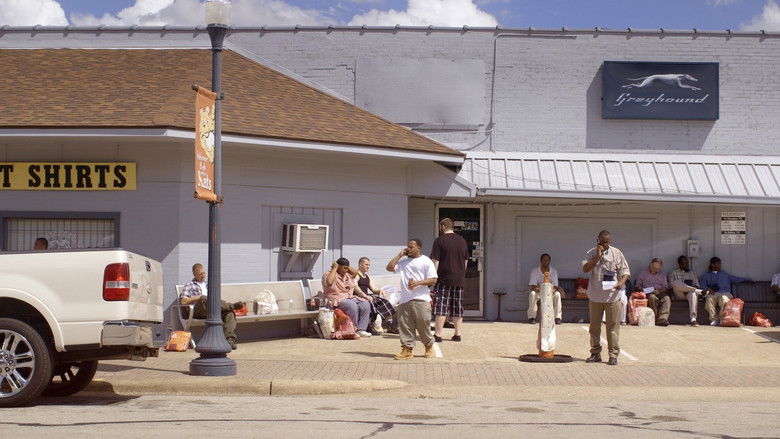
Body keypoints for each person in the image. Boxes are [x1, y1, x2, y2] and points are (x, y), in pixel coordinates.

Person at [582, 230, 630, 366]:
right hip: (595, 296)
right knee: (594, 327)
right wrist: (597, 257)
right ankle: (595, 353)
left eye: (607, 242)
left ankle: (613, 354)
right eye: (603, 242)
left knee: (613, 326)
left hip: (612, 296)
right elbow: (585, 269)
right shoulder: (591, 253)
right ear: (598, 240)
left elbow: (625, 272)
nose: (605, 244)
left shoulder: (616, 253)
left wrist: (620, 283)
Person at [386, 238, 438, 360]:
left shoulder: (426, 261)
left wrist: (418, 283)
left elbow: (433, 279)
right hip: (405, 299)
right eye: (408, 246)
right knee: (405, 326)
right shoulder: (403, 261)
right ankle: (407, 350)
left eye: (411, 247)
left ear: (419, 248)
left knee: (423, 324)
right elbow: (389, 267)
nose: (408, 249)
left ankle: (428, 346)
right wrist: (399, 255)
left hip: (421, 298)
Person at [178, 263, 243, 349]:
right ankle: (231, 305)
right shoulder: (189, 285)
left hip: (211, 310)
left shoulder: (209, 285)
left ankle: (230, 340)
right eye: (200, 274)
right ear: (194, 274)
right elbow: (183, 301)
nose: (203, 275)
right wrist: (198, 297)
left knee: (229, 313)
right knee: (204, 298)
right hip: (197, 311)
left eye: (204, 273)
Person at [430, 218, 469, 343]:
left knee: (441, 307)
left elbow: (436, 261)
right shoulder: (462, 241)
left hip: (443, 279)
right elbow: (466, 261)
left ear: (442, 227)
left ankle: (438, 335)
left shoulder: (439, 241)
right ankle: (457, 335)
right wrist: (461, 273)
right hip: (459, 280)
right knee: (457, 307)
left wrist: (433, 277)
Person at [323, 257, 372, 338]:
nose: (346, 270)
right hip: (336, 299)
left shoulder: (347, 275)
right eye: (344, 268)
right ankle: (353, 329)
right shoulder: (329, 274)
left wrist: (346, 266)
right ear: (338, 267)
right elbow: (329, 282)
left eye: (347, 268)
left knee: (365, 304)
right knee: (352, 305)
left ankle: (361, 330)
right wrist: (335, 267)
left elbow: (355, 273)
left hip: (348, 297)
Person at [699, 257, 752, 326]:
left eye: (720, 264)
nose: (719, 265)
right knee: (709, 300)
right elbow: (703, 286)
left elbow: (737, 279)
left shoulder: (724, 274)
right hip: (714, 293)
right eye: (718, 264)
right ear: (712, 265)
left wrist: (748, 280)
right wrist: (708, 289)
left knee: (724, 300)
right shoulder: (706, 276)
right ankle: (714, 319)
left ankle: (721, 319)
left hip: (725, 293)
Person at [355, 256, 397, 334]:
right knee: (371, 304)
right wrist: (365, 296)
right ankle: (369, 326)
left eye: (369, 265)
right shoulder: (356, 275)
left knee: (384, 302)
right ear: (360, 264)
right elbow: (355, 287)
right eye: (366, 264)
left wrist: (380, 291)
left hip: (367, 296)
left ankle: (390, 326)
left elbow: (373, 289)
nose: (368, 267)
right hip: (358, 297)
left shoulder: (367, 277)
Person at [527, 253, 564, 325]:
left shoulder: (554, 271)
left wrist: (548, 292)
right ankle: (531, 318)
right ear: (540, 261)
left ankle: (557, 318)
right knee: (532, 294)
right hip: (538, 291)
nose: (545, 262)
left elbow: (555, 286)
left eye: (547, 260)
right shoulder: (534, 271)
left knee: (557, 294)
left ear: (549, 261)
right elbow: (533, 286)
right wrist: (543, 291)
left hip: (550, 292)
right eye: (544, 260)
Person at [669, 255, 705, 326]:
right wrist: (684, 288)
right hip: (679, 294)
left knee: (693, 294)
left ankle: (693, 319)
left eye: (687, 263)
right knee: (676, 283)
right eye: (684, 263)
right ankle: (696, 291)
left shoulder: (692, 273)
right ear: (679, 264)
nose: (686, 265)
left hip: (689, 294)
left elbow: (697, 285)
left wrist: (689, 288)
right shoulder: (674, 273)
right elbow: (671, 286)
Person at [635, 258, 671, 326]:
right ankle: (654, 318)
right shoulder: (643, 273)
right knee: (652, 297)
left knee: (667, 299)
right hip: (647, 292)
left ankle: (662, 319)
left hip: (659, 292)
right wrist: (645, 290)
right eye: (654, 267)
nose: (655, 269)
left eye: (657, 268)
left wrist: (659, 291)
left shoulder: (662, 274)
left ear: (660, 267)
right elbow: (638, 285)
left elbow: (666, 287)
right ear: (651, 265)